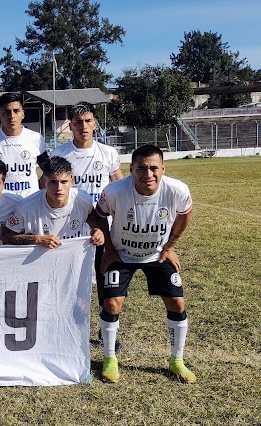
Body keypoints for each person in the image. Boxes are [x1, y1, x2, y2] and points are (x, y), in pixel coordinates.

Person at [95, 144, 196, 384]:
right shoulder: (115, 191)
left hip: (157, 254)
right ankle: (110, 360)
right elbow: (98, 215)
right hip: (122, 254)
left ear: (163, 168)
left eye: (153, 168)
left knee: (177, 302)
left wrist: (170, 246)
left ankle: (176, 361)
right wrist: (109, 249)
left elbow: (186, 213)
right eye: (141, 168)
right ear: (131, 169)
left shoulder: (177, 190)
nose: (147, 174)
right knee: (111, 303)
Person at [50, 102, 124, 348]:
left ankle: (106, 330)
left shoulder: (108, 153)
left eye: (88, 121)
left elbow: (120, 188)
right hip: (70, 228)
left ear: (95, 123)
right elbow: (48, 188)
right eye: (78, 122)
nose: (83, 126)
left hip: (102, 227)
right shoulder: (59, 154)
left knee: (105, 280)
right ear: (70, 125)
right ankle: (69, 328)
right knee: (70, 281)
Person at [1, 156, 104, 249]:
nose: (59, 188)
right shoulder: (26, 207)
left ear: (71, 182)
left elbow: (94, 221)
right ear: (43, 182)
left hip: (71, 262)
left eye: (64, 182)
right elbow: (6, 236)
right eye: (53, 182)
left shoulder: (83, 199)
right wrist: (37, 240)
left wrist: (97, 231)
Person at [0, 92, 46, 198]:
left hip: (29, 202)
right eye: (7, 112)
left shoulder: (36, 139)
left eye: (16, 111)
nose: (12, 116)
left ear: (23, 114)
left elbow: (48, 169)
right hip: (1, 204)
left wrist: (38, 186)